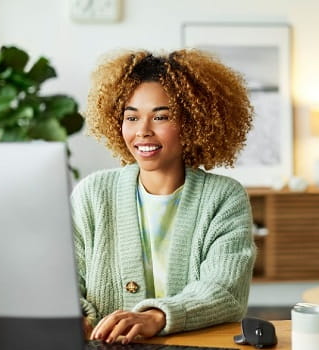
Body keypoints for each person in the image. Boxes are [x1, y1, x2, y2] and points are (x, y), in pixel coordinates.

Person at [71, 48, 256, 344]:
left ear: (194, 123)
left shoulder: (223, 197)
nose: (142, 131)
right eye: (131, 118)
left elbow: (225, 290)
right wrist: (75, 318)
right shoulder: (92, 194)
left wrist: (155, 316)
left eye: (161, 117)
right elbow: (66, 283)